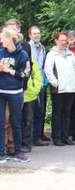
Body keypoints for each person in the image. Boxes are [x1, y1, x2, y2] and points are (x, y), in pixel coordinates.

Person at [44, 32, 75, 146]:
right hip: (58, 89)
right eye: (62, 40)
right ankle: (57, 137)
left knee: (67, 112)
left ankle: (65, 136)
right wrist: (55, 83)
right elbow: (48, 70)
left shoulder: (70, 54)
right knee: (57, 113)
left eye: (65, 40)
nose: (64, 42)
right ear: (56, 41)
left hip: (70, 88)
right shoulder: (52, 54)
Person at [0, 27, 30, 163]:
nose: (1, 41)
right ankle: (1, 153)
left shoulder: (22, 54)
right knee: (1, 123)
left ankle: (18, 152)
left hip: (16, 92)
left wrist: (9, 71)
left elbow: (25, 74)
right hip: (1, 91)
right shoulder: (1, 52)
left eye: (2, 38)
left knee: (16, 122)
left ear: (9, 39)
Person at [29, 26, 50, 146]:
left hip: (41, 83)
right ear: (30, 35)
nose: (37, 35)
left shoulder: (42, 48)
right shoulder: (27, 47)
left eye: (38, 33)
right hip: (31, 83)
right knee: (30, 111)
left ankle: (36, 137)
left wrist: (45, 81)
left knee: (40, 111)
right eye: (34, 34)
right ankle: (29, 138)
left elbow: (43, 66)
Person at [21, 54, 43, 153]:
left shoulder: (31, 60)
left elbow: (37, 75)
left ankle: (26, 144)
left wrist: (35, 90)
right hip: (15, 94)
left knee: (28, 121)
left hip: (30, 96)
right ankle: (14, 144)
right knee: (14, 121)